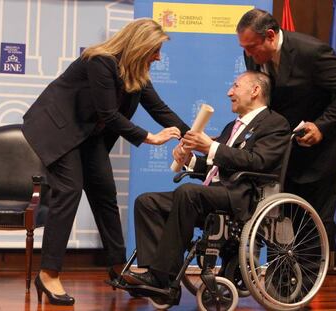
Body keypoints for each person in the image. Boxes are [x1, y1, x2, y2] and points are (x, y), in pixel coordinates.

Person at [22, 18, 189, 305]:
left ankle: (117, 268)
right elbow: (110, 115)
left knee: (105, 194)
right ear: (139, 46)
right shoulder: (100, 61)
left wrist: (195, 138)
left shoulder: (136, 73)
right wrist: (152, 138)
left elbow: (159, 108)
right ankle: (48, 274)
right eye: (155, 50)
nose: (159, 57)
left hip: (87, 134)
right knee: (69, 191)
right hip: (59, 129)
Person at [123, 71, 290, 288]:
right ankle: (151, 273)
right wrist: (190, 160)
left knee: (189, 192)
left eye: (236, 86)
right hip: (215, 194)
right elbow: (217, 166)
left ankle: (162, 277)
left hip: (243, 196)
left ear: (255, 90)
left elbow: (258, 161)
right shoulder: (232, 127)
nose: (229, 92)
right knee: (147, 202)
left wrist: (211, 146)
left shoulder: (275, 123)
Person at [236, 8, 336, 250]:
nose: (247, 53)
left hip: (318, 157)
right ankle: (280, 286)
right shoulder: (253, 55)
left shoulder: (312, 52)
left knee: (312, 230)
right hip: (281, 156)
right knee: (279, 225)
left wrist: (321, 125)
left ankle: (309, 286)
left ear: (270, 36)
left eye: (251, 47)